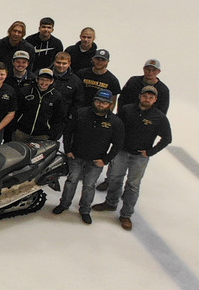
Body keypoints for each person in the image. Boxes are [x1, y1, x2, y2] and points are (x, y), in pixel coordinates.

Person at [93, 85, 171, 230]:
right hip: (121, 152)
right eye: (145, 96)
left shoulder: (159, 117)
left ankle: (126, 214)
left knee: (133, 185)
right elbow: (115, 126)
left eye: (150, 97)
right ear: (140, 96)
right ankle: (110, 203)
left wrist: (150, 152)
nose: (147, 99)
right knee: (115, 179)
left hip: (140, 157)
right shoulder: (127, 109)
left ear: (155, 100)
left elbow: (167, 138)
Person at [54, 89, 123, 225]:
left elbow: (118, 143)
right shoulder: (81, 113)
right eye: (98, 101)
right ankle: (64, 204)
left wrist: (106, 160)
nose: (100, 105)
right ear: (94, 101)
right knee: (71, 181)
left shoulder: (115, 122)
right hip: (76, 156)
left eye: (104, 103)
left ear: (109, 104)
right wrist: (68, 150)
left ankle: (85, 210)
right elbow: (68, 132)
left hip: (96, 161)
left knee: (89, 186)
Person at [14, 68, 66, 142]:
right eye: (42, 79)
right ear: (37, 79)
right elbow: (16, 110)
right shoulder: (25, 91)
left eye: (47, 80)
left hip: (42, 136)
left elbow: (58, 117)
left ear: (52, 81)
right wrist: (15, 127)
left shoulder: (56, 96)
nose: (44, 82)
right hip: (22, 133)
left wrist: (52, 134)